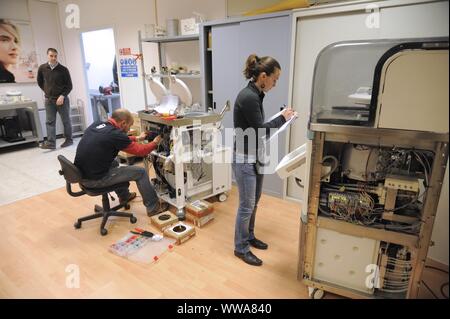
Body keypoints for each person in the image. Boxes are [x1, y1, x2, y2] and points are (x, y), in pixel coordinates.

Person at [233, 54, 296, 266]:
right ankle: (240, 248)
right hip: (244, 158)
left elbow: (257, 128)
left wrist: (279, 120)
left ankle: (249, 236)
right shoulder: (249, 97)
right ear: (263, 76)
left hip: (254, 155)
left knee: (254, 201)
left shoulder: (257, 94)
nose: (275, 84)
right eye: (274, 79)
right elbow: (260, 131)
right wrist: (282, 119)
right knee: (246, 205)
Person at [74, 108, 167, 216]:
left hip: (82, 175)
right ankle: (153, 208)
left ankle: (124, 196)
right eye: (129, 126)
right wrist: (155, 142)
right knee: (140, 172)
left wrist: (137, 138)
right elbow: (141, 151)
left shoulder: (98, 124)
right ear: (123, 123)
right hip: (94, 180)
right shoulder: (115, 135)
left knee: (114, 163)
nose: (129, 129)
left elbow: (118, 139)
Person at [37, 48, 73, 149]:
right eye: (51, 56)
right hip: (49, 100)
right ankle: (51, 143)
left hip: (62, 100)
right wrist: (47, 92)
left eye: (55, 56)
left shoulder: (63, 69)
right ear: (47, 55)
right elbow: (40, 82)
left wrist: (62, 96)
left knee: (66, 120)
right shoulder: (42, 68)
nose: (53, 58)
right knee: (49, 122)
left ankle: (69, 140)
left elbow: (69, 86)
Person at [0, 19, 20, 83]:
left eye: (16, 41)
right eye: (4, 40)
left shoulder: (8, 77)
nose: (14, 47)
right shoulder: (6, 77)